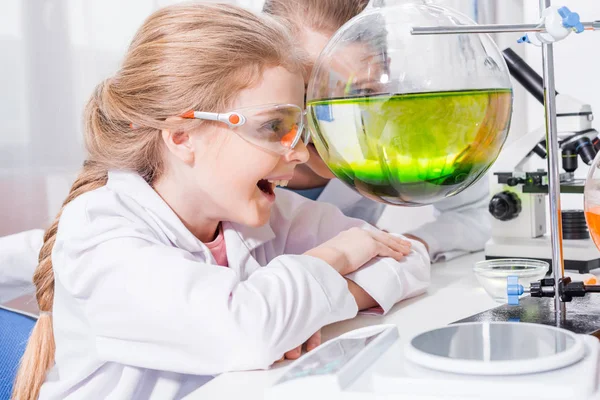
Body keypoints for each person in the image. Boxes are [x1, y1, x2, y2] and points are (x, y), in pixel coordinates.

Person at [11, 4, 430, 400]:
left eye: (297, 127)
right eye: (273, 126)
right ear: (182, 136)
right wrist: (333, 258)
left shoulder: (265, 214)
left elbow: (406, 259)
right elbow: (246, 330)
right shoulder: (102, 236)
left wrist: (302, 311)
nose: (301, 152)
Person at [263, 0, 491, 263]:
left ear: (385, 70)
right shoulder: (237, 151)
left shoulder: (412, 112)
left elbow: (476, 214)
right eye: (305, 93)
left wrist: (405, 247)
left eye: (362, 91)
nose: (333, 127)